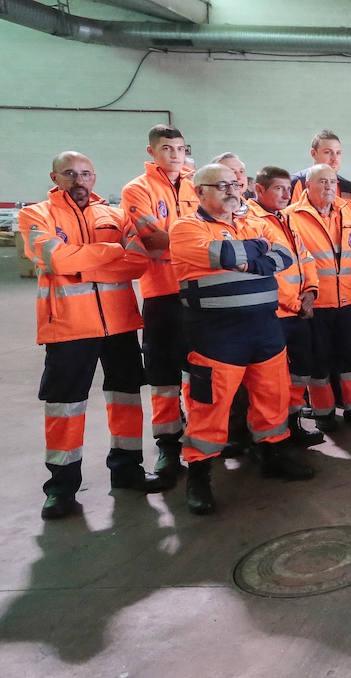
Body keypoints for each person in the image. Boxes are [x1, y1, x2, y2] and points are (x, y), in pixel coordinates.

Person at [22, 152, 169, 519]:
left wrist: (82, 262)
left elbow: (137, 262)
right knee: (65, 406)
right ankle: (61, 487)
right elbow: (54, 259)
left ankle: (127, 469)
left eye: (85, 174)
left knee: (126, 398)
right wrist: (112, 253)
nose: (79, 180)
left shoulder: (115, 215)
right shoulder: (37, 214)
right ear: (54, 177)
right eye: (69, 174)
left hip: (118, 324)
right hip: (68, 327)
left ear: (95, 177)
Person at [171, 162, 315, 515]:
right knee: (210, 406)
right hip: (215, 336)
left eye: (235, 184)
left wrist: (246, 259)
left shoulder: (253, 222)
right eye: (221, 185)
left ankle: (272, 454)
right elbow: (222, 255)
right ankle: (200, 475)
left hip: (264, 329)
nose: (232, 191)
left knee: (273, 396)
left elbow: (283, 256)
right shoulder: (185, 228)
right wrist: (254, 255)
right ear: (198, 191)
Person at [121, 124, 198, 483]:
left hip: (200, 292)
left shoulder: (199, 183)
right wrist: (203, 245)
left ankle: (201, 439)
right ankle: (168, 445)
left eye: (180, 148)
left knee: (200, 369)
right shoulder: (137, 189)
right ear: (151, 152)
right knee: (164, 376)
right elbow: (152, 238)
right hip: (162, 295)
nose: (175, 155)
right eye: (167, 148)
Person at [286, 164, 351, 428]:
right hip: (315, 305)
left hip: (345, 304)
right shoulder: (292, 217)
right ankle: (323, 413)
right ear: (308, 186)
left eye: (332, 182)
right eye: (322, 182)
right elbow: (294, 263)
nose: (329, 186)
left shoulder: (346, 211)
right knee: (319, 362)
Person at [246, 166, 325, 447]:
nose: (285, 194)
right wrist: (295, 302)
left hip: (298, 311)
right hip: (274, 314)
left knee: (300, 371)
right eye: (278, 188)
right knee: (271, 381)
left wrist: (310, 293)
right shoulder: (250, 221)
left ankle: (293, 425)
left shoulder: (287, 219)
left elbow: (306, 258)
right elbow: (262, 272)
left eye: (288, 189)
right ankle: (271, 439)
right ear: (259, 189)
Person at [290, 129, 351, 203]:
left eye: (338, 153)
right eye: (327, 152)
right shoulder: (296, 183)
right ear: (313, 153)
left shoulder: (350, 189)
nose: (334, 159)